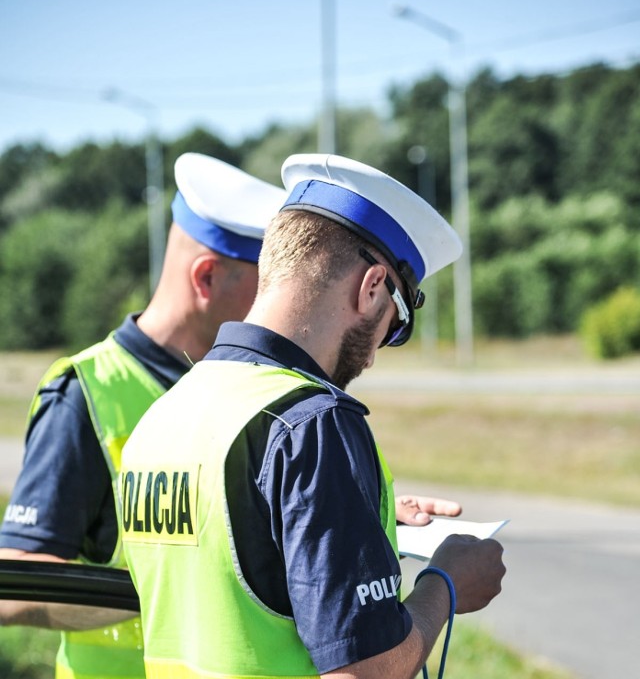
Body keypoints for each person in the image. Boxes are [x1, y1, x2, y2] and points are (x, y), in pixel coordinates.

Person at [121, 153, 506, 679]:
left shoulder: (167, 410)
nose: (375, 353)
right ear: (372, 287)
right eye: (396, 324)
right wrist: (447, 583)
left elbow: (241, 556)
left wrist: (353, 513)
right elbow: (364, 671)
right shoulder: (311, 423)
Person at [0, 153, 287, 679]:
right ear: (206, 277)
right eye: (269, 285)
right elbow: (14, 587)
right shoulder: (86, 392)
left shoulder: (248, 390)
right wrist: (166, 592)